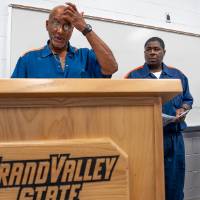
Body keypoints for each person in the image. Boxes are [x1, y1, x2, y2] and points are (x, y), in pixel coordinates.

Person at [125, 37, 193, 200]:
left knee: (174, 186)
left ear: (164, 52)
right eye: (148, 49)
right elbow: (126, 106)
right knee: (146, 185)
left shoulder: (177, 75)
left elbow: (187, 100)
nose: (152, 53)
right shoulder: (133, 76)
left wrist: (183, 109)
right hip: (144, 140)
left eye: (156, 49)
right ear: (144, 52)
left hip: (173, 139)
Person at [11, 3, 118, 78]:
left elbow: (111, 67)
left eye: (67, 26)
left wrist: (85, 28)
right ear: (47, 25)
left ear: (73, 29)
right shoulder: (28, 59)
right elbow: (12, 98)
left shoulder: (85, 56)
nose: (60, 31)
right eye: (56, 23)